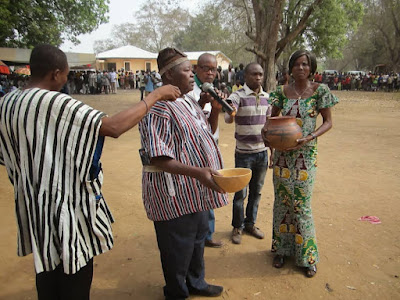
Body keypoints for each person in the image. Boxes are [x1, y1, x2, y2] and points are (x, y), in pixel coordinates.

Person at [0, 44, 180, 300]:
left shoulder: (8, 102)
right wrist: (155, 96)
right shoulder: (54, 102)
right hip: (66, 209)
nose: (65, 79)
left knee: (47, 269)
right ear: (54, 73)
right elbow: (113, 127)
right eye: (65, 74)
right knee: (74, 273)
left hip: (34, 205)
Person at [138, 47, 228, 299]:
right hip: (173, 194)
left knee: (198, 239)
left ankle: (196, 283)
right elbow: (158, 156)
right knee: (177, 247)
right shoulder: (157, 108)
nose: (193, 76)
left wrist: (215, 110)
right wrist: (199, 172)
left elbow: (205, 134)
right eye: (188, 70)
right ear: (168, 76)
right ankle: (177, 292)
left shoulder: (187, 100)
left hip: (194, 191)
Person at [261, 49, 339, 278]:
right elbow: (271, 121)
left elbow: (328, 122)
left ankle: (307, 257)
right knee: (282, 204)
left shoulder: (319, 91)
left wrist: (310, 136)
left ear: (311, 67)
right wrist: (269, 141)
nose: (301, 68)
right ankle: (281, 251)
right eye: (296, 64)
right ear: (291, 68)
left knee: (302, 205)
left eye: (305, 64)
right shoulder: (282, 92)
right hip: (283, 157)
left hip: (306, 157)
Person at [224, 62, 272, 245]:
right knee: (240, 193)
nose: (258, 77)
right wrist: (231, 111)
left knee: (256, 192)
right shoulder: (237, 96)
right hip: (243, 154)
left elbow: (269, 127)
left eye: (260, 74)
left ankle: (250, 224)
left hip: (262, 153)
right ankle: (237, 226)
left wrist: (272, 152)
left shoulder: (267, 97)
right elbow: (229, 116)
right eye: (254, 74)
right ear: (245, 76)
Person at [188, 53, 223, 248]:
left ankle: (207, 233)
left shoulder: (212, 90)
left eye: (214, 69)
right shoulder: (190, 91)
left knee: (210, 188)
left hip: (210, 146)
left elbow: (212, 126)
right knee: (197, 189)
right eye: (206, 68)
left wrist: (218, 108)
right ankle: (199, 233)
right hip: (194, 148)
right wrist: (201, 102)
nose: (210, 73)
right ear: (196, 69)